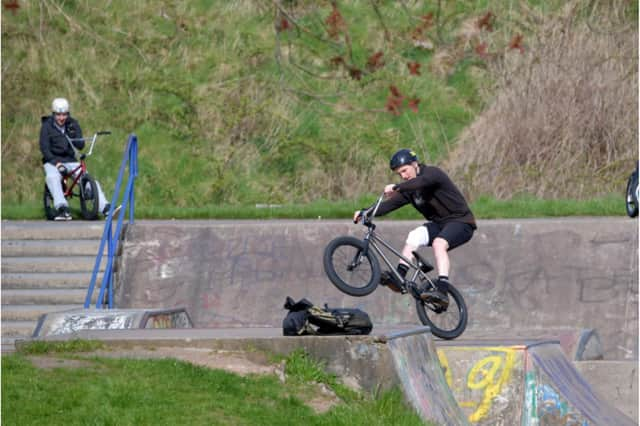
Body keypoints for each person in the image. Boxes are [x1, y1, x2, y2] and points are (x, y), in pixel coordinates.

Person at [353, 148, 476, 307]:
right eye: (400, 174)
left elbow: (421, 182)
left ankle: (443, 290)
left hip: (462, 222)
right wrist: (365, 212)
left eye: (405, 170)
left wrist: (397, 187)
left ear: (415, 164)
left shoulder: (432, 174)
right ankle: (399, 277)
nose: (404, 176)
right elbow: (388, 205)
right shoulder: (409, 191)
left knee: (439, 243)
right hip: (439, 224)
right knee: (414, 235)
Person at [39, 97, 113, 221]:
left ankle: (105, 207)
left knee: (89, 179)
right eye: (58, 115)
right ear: (53, 114)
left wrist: (73, 135)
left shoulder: (73, 123)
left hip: (70, 160)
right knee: (52, 177)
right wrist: (56, 163)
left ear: (68, 113)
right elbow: (44, 148)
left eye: (64, 114)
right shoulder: (46, 126)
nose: (62, 118)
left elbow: (80, 145)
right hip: (53, 160)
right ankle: (62, 208)